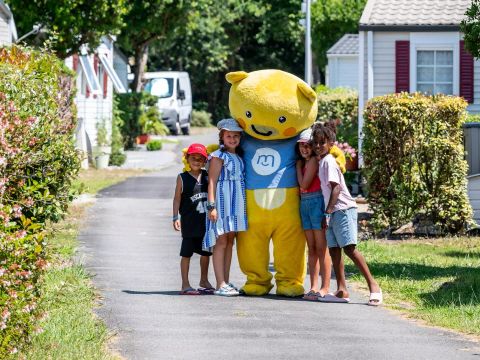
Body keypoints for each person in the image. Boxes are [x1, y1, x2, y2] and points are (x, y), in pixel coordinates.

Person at [312, 121, 382, 306]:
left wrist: (327, 213)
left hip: (342, 209)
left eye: (322, 142)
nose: (318, 146)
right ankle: (342, 289)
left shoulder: (328, 162)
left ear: (331, 143)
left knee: (349, 249)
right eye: (315, 143)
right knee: (334, 250)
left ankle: (374, 286)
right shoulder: (322, 162)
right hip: (333, 211)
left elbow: (336, 189)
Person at [203, 118, 247, 296]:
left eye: (236, 136)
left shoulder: (239, 156)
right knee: (221, 241)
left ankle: (226, 282)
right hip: (222, 202)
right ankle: (219, 283)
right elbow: (212, 181)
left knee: (230, 242)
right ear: (222, 137)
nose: (232, 139)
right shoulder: (217, 156)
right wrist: (211, 206)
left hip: (236, 204)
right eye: (229, 136)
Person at [172, 143, 214, 295]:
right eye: (193, 158)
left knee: (206, 253)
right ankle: (185, 284)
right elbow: (177, 199)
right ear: (187, 159)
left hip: (205, 223)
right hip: (189, 223)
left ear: (205, 161)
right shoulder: (182, 178)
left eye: (200, 159)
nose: (196, 161)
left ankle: (204, 280)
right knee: (186, 254)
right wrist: (175, 217)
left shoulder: (208, 176)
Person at [295, 128, 332, 300]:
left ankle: (325, 286)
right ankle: (313, 286)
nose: (304, 149)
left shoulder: (312, 163)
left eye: (308, 145)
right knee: (311, 248)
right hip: (305, 203)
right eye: (301, 146)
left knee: (321, 247)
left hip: (315, 201)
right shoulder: (305, 162)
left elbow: (303, 184)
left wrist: (297, 167)